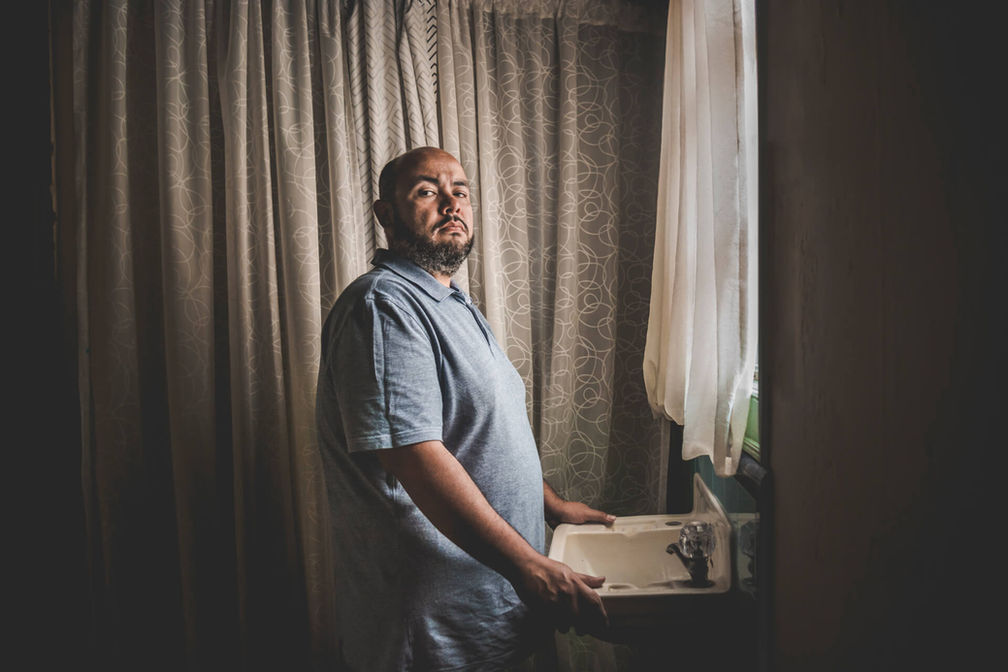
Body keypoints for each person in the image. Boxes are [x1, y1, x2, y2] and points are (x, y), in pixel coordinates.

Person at [315, 147, 614, 671]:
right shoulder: (384, 306)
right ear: (386, 214)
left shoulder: (453, 303)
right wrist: (527, 564)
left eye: (461, 191)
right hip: (432, 623)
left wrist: (551, 506)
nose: (452, 204)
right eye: (427, 191)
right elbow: (415, 457)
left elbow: (481, 436)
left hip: (487, 603)